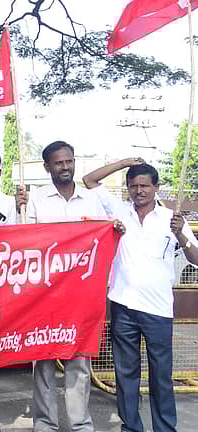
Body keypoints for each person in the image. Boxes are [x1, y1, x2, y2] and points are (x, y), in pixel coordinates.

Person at [83, 159, 198, 432]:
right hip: (123, 306)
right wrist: (124, 162)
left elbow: (196, 259)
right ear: (128, 188)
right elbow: (89, 180)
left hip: (158, 311)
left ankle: (165, 428)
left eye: (145, 185)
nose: (139, 191)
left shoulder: (172, 219)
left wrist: (181, 235)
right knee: (126, 376)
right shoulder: (120, 211)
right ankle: (131, 427)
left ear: (156, 187)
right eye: (133, 186)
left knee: (161, 377)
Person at [17, 141, 113, 432]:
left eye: (69, 161)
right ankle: (45, 423)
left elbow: (102, 238)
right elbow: (25, 243)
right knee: (43, 362)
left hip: (81, 295)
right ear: (47, 167)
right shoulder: (35, 200)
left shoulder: (91, 200)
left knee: (79, 363)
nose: (65, 167)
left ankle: (80, 423)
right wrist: (18, 207)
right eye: (58, 163)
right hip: (43, 296)